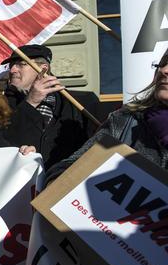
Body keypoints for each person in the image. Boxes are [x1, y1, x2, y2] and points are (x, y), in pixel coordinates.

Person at [47, 48, 168, 180]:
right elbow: (72, 166)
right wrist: (57, 180)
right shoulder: (125, 119)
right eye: (162, 63)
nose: (163, 70)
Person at [1, 44, 98, 169]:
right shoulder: (1, 103)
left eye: (21, 64)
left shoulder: (78, 103)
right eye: (11, 65)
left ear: (43, 69)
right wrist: (31, 102)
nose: (12, 70)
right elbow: (1, 139)